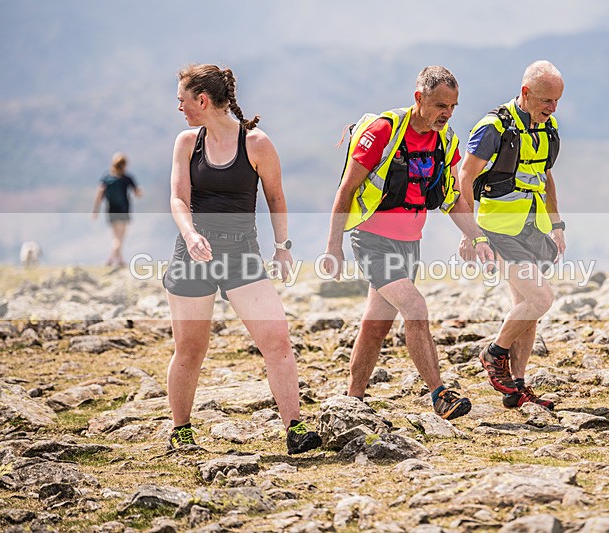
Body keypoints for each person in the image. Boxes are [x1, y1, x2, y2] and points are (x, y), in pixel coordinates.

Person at [161, 64, 321, 454]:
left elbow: (276, 198)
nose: (178, 107)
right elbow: (178, 199)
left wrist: (282, 247)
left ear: (202, 100)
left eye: (182, 100)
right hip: (193, 255)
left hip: (241, 254)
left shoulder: (256, 143)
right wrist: (191, 235)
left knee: (277, 341)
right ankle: (181, 430)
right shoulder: (187, 143)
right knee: (190, 349)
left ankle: (295, 429)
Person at [322, 66, 494, 420]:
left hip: (410, 244)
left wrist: (476, 236)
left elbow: (452, 200)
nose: (447, 114)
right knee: (415, 307)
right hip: (372, 240)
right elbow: (347, 189)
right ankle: (439, 394)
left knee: (377, 324)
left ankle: (353, 401)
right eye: (441, 106)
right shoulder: (384, 131)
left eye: (453, 107)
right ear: (419, 98)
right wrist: (333, 247)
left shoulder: (445, 142)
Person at [458, 60, 566, 410]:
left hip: (531, 229)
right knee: (541, 299)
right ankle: (493, 353)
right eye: (546, 100)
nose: (553, 108)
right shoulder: (493, 128)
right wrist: (470, 233)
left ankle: (516, 387)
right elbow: (464, 176)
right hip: (497, 231)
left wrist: (557, 225)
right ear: (525, 92)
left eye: (557, 101)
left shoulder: (548, 128)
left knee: (527, 309)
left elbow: (545, 177)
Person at [91, 152, 143, 267]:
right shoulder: (127, 178)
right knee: (119, 238)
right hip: (123, 211)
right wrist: (140, 192)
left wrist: (95, 209)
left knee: (116, 236)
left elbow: (99, 195)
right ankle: (110, 259)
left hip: (111, 211)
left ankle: (120, 260)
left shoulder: (106, 178)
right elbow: (138, 193)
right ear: (124, 165)